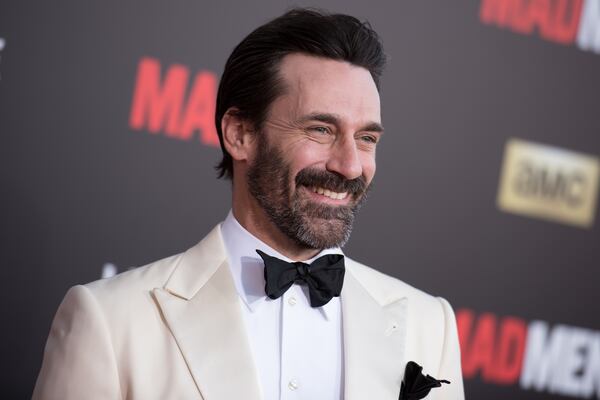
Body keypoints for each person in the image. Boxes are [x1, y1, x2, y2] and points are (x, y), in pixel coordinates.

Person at [33, 8, 464, 400]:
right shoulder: (110, 322)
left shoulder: (430, 325)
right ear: (240, 134)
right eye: (320, 130)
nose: (350, 166)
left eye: (366, 138)